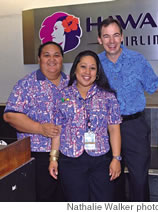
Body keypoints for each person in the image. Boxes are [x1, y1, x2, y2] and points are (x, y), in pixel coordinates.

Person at [97, 17, 158, 201]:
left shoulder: (137, 59)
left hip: (134, 127)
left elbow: (153, 84)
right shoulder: (95, 64)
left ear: (122, 37)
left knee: (139, 180)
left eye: (115, 35)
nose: (111, 41)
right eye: (106, 36)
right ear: (99, 40)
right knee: (110, 179)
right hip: (104, 129)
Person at [48, 50, 122, 202]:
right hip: (70, 160)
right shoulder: (62, 96)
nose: (87, 72)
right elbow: (58, 130)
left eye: (92, 68)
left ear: (98, 72)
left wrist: (116, 158)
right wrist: (53, 158)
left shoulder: (108, 97)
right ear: (75, 69)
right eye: (83, 67)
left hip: (101, 161)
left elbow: (114, 129)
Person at [3, 41, 68, 201]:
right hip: (38, 155)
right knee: (43, 201)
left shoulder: (72, 83)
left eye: (56, 55)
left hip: (70, 155)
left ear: (62, 59)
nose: (51, 59)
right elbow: (10, 115)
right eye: (46, 55)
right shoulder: (26, 84)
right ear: (39, 59)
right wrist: (40, 128)